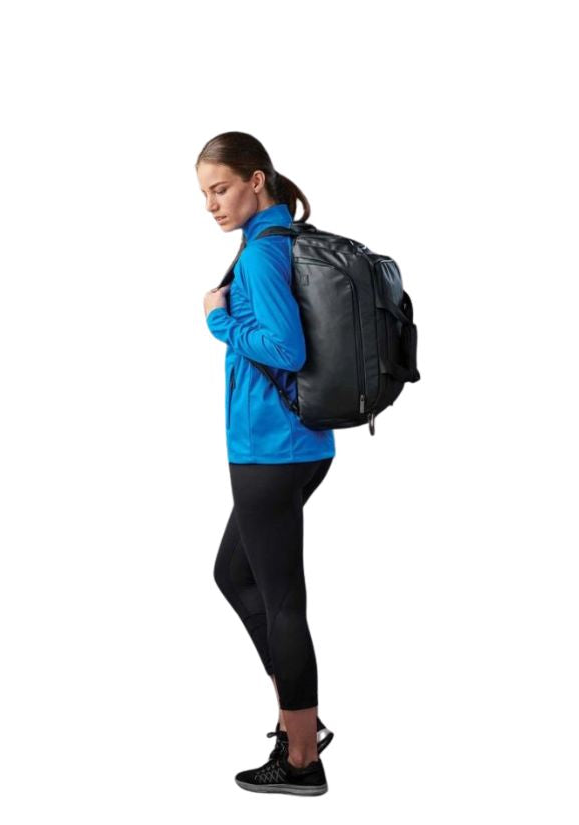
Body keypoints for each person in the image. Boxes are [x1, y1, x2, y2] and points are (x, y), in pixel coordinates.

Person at [197, 131, 336, 796]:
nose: (211, 204)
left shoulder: (259, 255)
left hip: (269, 450)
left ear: (256, 180)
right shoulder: (279, 240)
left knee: (282, 600)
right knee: (234, 573)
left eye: (220, 188)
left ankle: (302, 756)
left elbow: (284, 348)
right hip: (295, 445)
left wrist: (217, 322)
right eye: (205, 194)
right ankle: (300, 716)